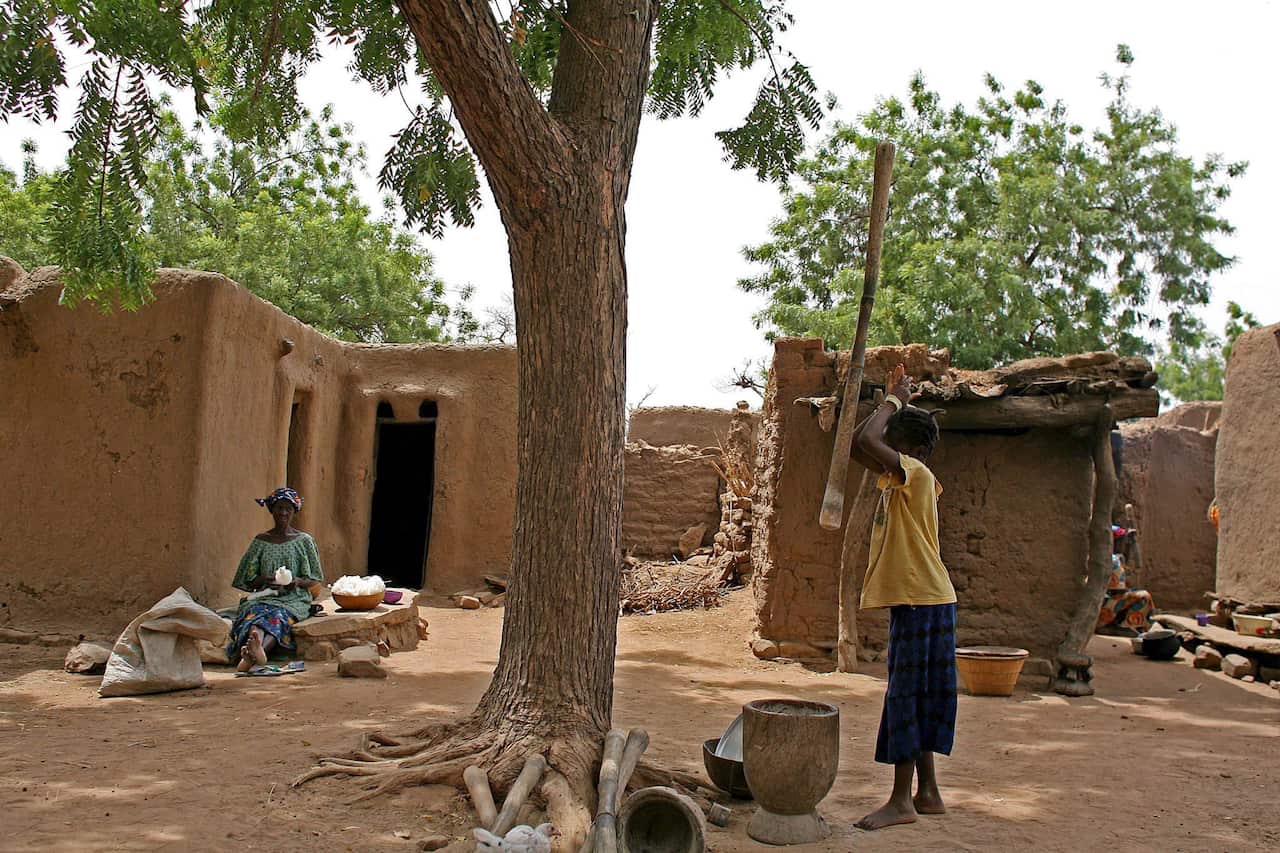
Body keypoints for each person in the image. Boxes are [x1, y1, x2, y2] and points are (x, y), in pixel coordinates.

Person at [849, 364, 956, 831]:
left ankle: (900, 801)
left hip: (920, 599)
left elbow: (865, 442)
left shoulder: (913, 472)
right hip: (931, 598)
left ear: (907, 449)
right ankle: (928, 792)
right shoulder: (910, 477)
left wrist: (893, 401)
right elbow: (860, 445)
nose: (884, 447)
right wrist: (892, 406)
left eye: (893, 439)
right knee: (922, 691)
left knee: (906, 694)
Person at [228, 487, 325, 671]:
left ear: (294, 511)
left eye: (288, 508)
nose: (283, 512)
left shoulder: (304, 541)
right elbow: (247, 579)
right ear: (272, 510)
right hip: (265, 595)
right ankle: (255, 648)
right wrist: (266, 579)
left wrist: (296, 582)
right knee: (254, 615)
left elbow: (314, 578)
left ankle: (254, 655)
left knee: (278, 616)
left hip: (294, 598)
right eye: (279, 508)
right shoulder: (261, 541)